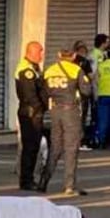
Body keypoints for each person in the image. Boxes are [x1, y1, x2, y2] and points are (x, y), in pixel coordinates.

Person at [38, 46, 92, 196]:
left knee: (55, 147)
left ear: (59, 55)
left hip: (55, 111)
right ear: (73, 56)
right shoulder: (76, 70)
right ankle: (69, 186)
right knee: (71, 148)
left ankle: (43, 182)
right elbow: (86, 91)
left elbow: (43, 92)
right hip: (70, 111)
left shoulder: (49, 70)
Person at [15, 41, 48, 191]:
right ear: (31, 52)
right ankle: (26, 180)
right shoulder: (26, 70)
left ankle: (29, 178)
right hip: (30, 113)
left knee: (33, 147)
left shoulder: (33, 68)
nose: (42, 55)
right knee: (30, 147)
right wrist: (39, 108)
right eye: (39, 52)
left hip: (33, 112)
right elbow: (30, 95)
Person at [73, 40, 95, 149]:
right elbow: (90, 76)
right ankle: (80, 141)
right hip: (82, 93)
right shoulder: (85, 62)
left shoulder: (69, 62)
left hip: (68, 94)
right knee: (81, 117)